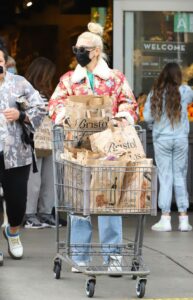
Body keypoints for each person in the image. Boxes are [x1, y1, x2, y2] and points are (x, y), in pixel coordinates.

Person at [49, 22, 138, 271]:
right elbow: (55, 104)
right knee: (79, 202)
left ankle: (113, 257)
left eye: (81, 48)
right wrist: (67, 115)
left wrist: (120, 117)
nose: (77, 51)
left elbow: (129, 103)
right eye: (76, 47)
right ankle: (80, 257)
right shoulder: (69, 80)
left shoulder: (115, 78)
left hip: (108, 150)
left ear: (96, 51)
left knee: (109, 201)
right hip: (77, 149)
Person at [0, 43, 45, 259]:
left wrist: (21, 116)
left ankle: (13, 231)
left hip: (17, 153)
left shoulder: (19, 84)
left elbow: (40, 108)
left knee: (17, 201)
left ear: (6, 63)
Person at [143, 62, 193, 232]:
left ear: (162, 75)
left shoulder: (155, 92)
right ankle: (183, 219)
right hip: (180, 138)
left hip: (162, 139)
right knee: (180, 175)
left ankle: (165, 218)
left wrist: (155, 126)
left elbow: (147, 117)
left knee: (165, 177)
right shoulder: (186, 91)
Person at [23, 57, 58, 229]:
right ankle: (29, 214)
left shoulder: (50, 93)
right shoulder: (26, 91)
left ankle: (45, 212)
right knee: (33, 178)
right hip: (32, 138)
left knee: (49, 177)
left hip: (49, 138)